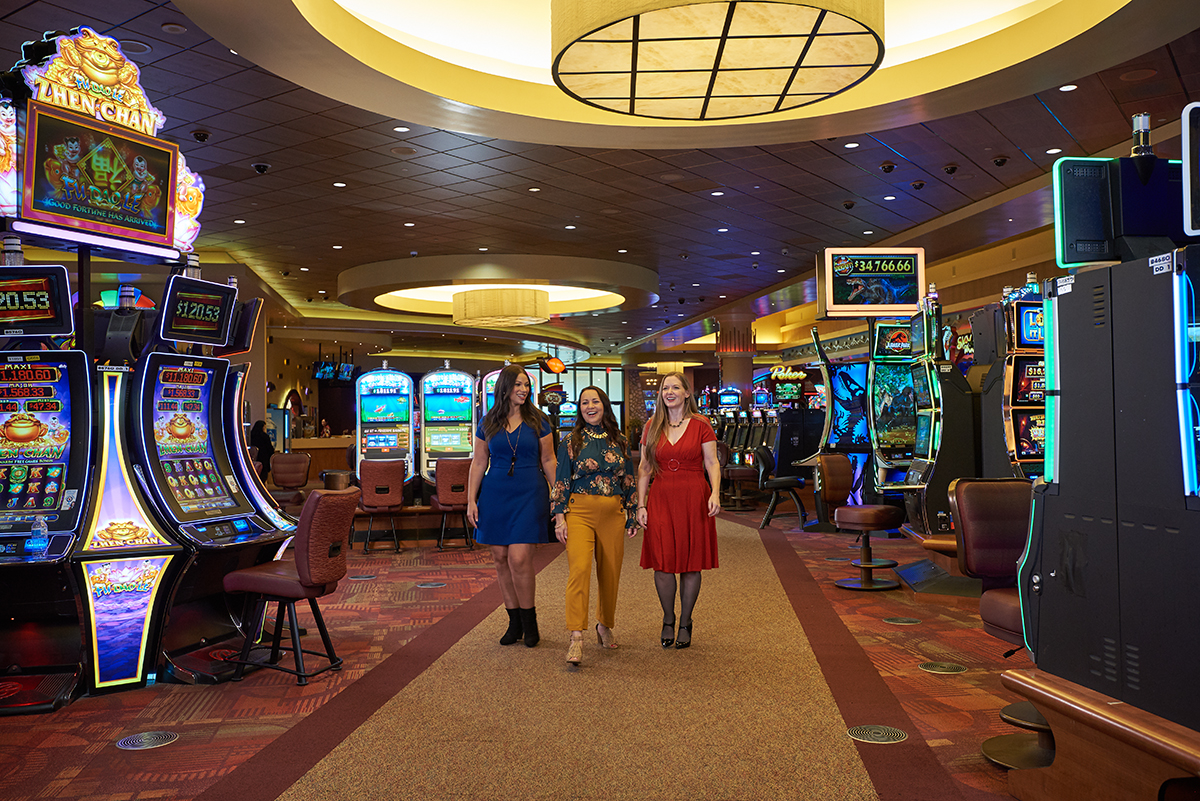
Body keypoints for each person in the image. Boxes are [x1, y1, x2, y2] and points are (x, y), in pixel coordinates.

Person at [467, 364, 556, 647]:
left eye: (526, 385)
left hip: (530, 491)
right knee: (500, 559)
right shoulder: (488, 422)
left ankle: (530, 621)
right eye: (518, 384)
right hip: (495, 493)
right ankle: (513, 621)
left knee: (519, 558)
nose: (524, 390)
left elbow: (549, 460)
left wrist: (559, 496)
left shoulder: (539, 420)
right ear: (504, 387)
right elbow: (479, 462)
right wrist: (471, 499)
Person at [551, 387, 637, 665]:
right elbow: (561, 479)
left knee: (610, 572)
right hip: (579, 512)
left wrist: (633, 513)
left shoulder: (620, 441)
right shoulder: (570, 441)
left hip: (613, 512)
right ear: (579, 408)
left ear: (604, 405)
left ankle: (604, 624)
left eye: (595, 401)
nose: (590, 406)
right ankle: (576, 636)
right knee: (579, 570)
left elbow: (629, 480)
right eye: (584, 402)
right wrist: (559, 516)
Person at [636, 371, 721, 650]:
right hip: (661, 496)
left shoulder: (701, 424)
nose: (668, 391)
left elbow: (712, 462)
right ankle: (668, 618)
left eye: (675, 387)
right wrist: (641, 503)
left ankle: (686, 621)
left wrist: (716, 493)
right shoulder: (652, 425)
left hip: (694, 494)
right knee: (662, 561)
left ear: (687, 393)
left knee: (690, 561)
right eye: (664, 388)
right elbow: (645, 468)